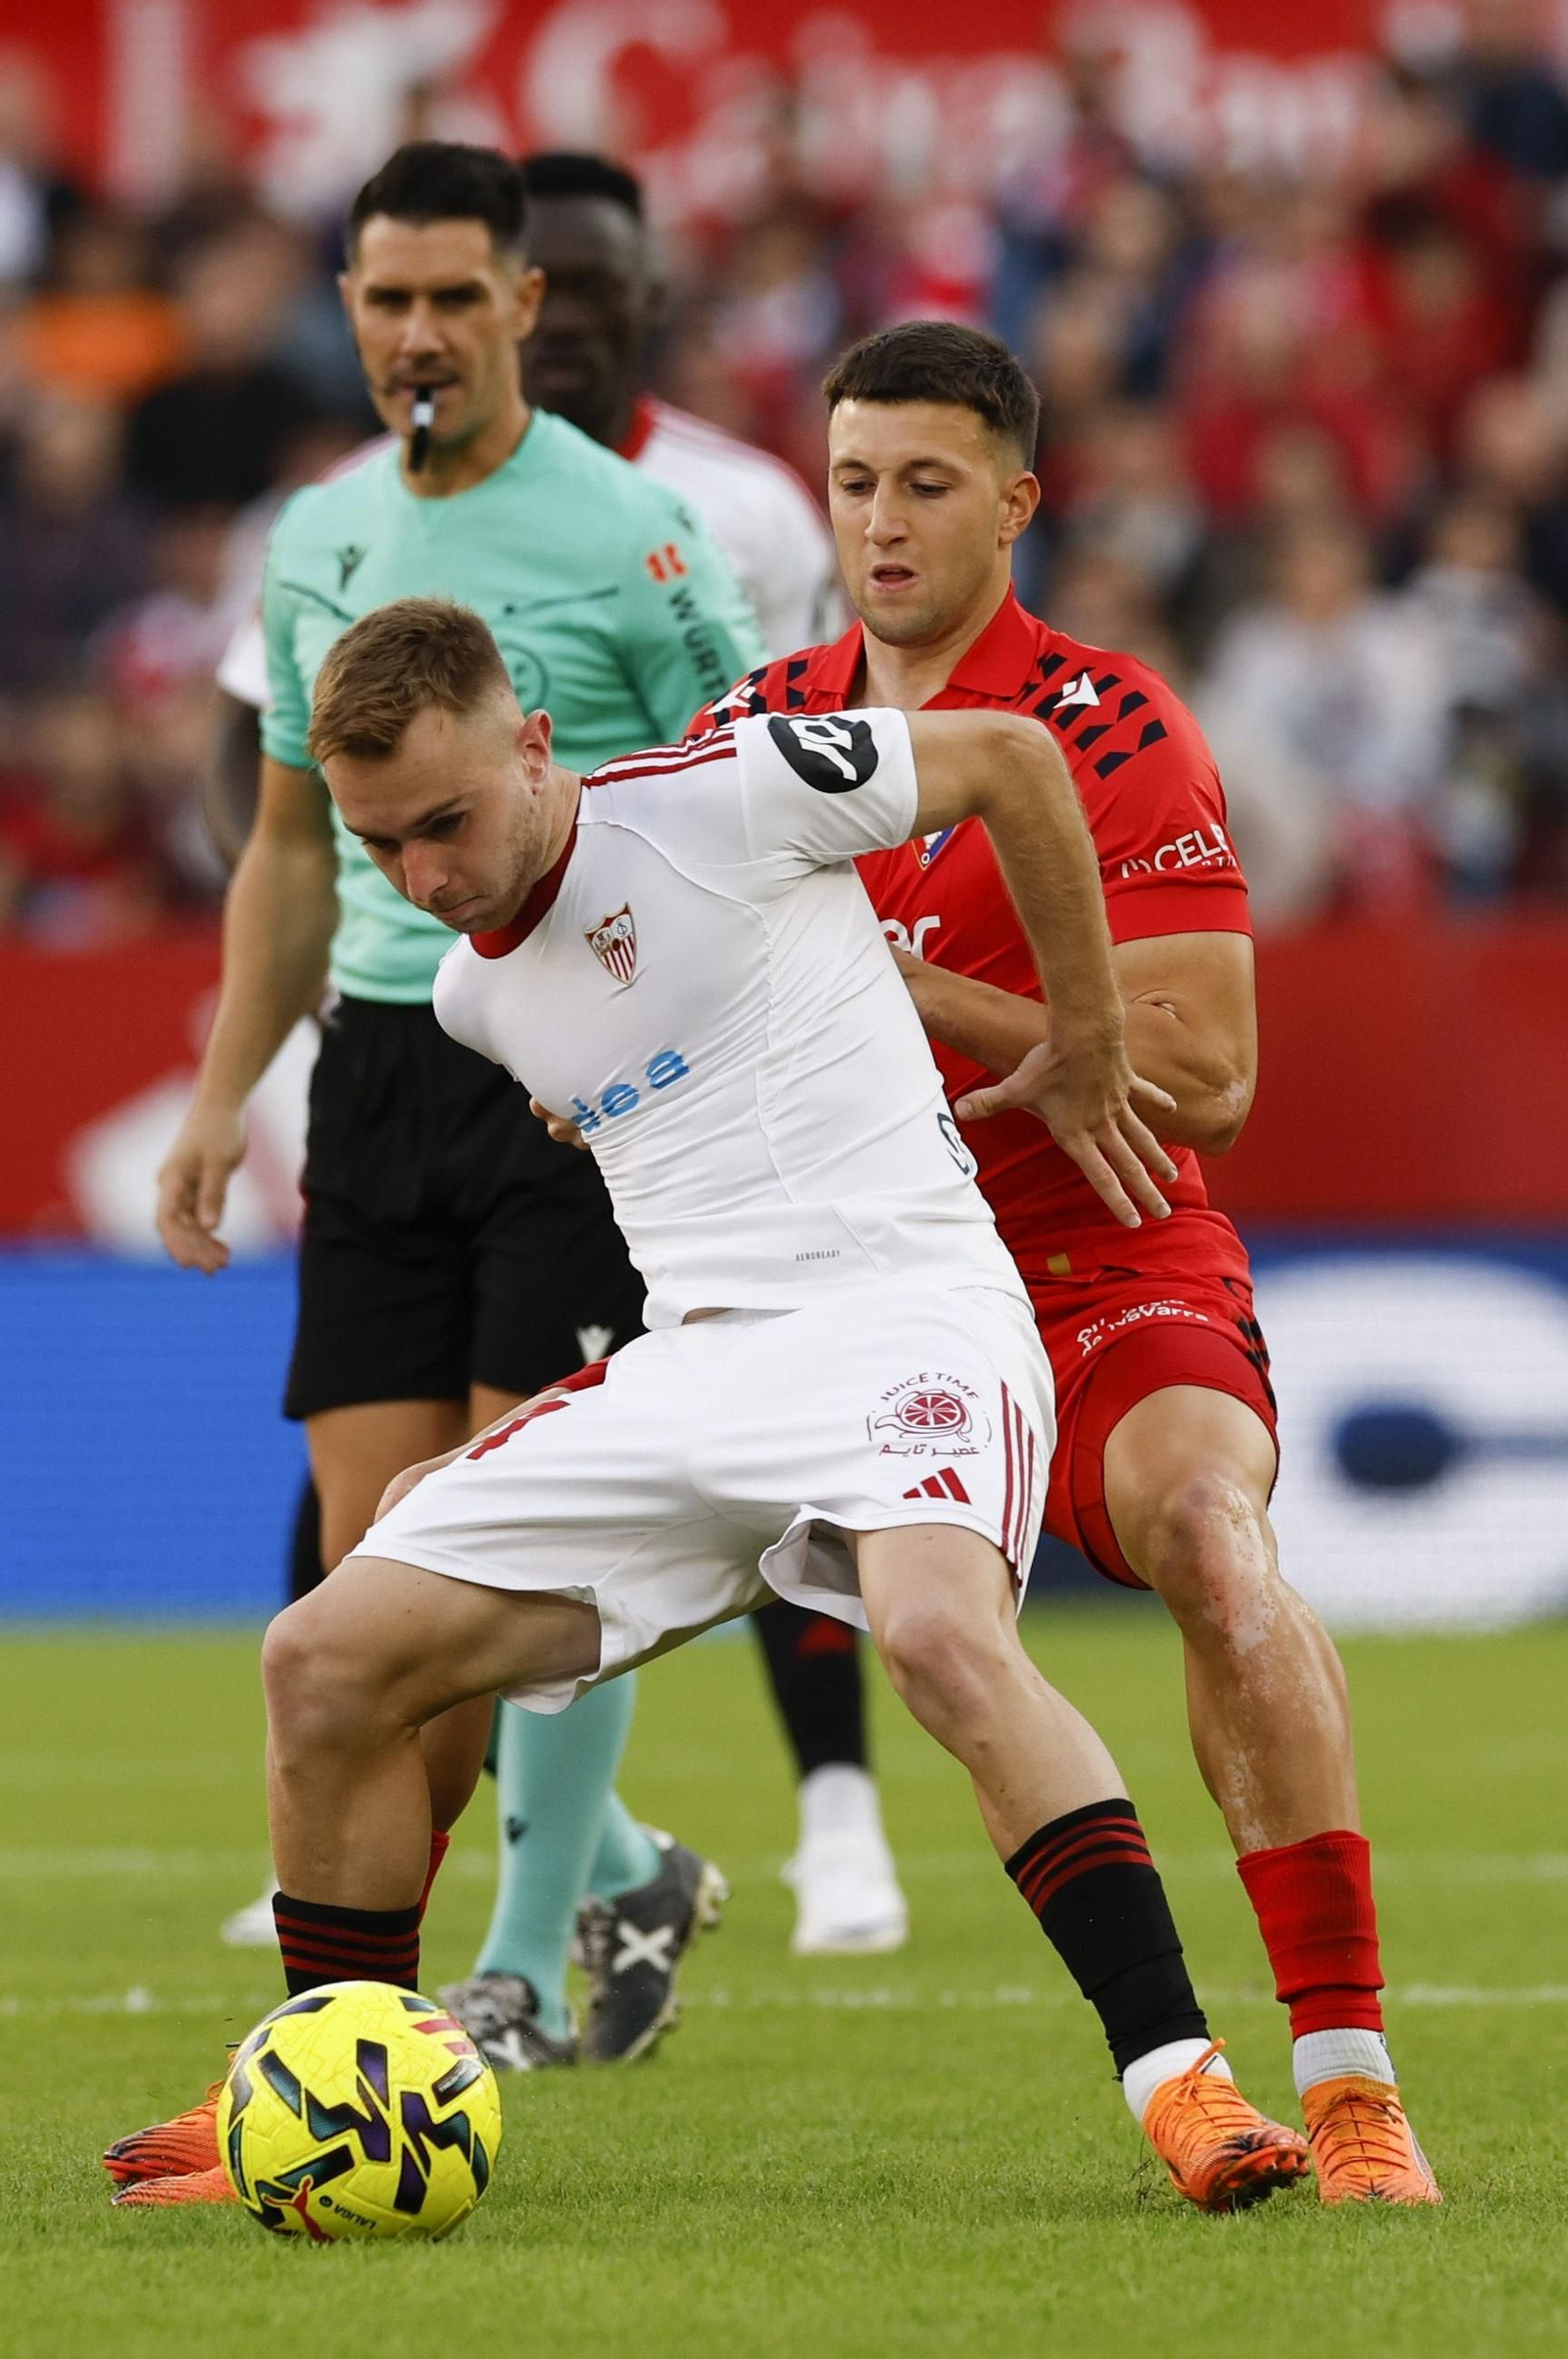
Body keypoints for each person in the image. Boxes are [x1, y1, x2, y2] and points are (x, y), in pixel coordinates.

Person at [115, 593, 1311, 2218]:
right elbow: (633, 1073)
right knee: (320, 1655)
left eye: (449, 823)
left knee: (943, 1640)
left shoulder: (726, 794)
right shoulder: (470, 998)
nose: (427, 879)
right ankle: (311, 2077)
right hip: (695, 1363)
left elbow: (1021, 763)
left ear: (534, 744)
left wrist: (1091, 1041)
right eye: (382, 845)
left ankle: (1186, 2085)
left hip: (908, 1315)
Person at [686, 319, 1440, 2205]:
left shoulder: (1108, 730)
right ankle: (394, 1999)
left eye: (926, 485)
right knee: (435, 1571)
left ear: (1016, 502)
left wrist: (882, 978)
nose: (881, 523)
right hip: (846, 1283)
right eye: (854, 483)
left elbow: (1208, 1079)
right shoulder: (744, 732)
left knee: (1207, 1534)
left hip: (1092, 1252)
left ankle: (1346, 2080)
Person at [210, 148, 902, 1980]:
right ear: (346, 310)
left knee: (509, 1552)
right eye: (384, 297)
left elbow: (757, 803)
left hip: (573, 1089)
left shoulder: (638, 538)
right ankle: (591, 1886)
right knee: (371, 1574)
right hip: (375, 1068)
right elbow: (290, 847)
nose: (417, 331)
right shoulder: (310, 540)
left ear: (523, 305)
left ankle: (499, 1969)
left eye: (454, 294)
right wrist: (225, 1091)